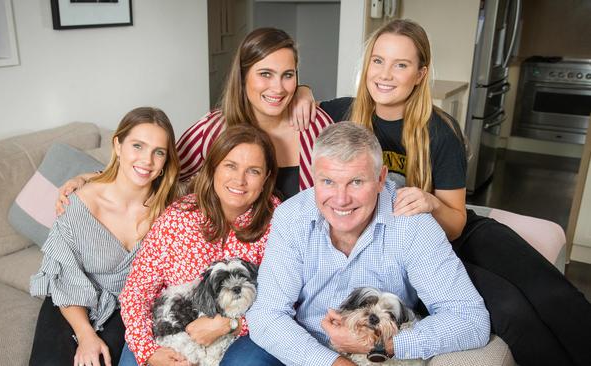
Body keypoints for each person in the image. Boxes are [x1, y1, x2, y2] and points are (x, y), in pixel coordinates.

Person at [309, 19, 591, 365]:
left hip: (459, 232)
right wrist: (304, 94)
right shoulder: (343, 113)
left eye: (401, 65)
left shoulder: (440, 131)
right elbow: (299, 99)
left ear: (421, 74)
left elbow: (456, 223)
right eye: (378, 61)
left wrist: (430, 202)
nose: (385, 74)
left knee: (552, 292)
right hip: (421, 255)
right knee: (513, 311)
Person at [231, 122, 489, 366]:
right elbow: (268, 313)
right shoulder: (292, 217)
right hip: (300, 341)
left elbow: (470, 319)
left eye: (356, 182)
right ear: (313, 177)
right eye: (328, 181)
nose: (341, 200)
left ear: (380, 179)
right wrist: (333, 363)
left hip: (378, 348)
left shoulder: (412, 224)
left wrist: (382, 345)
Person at [28, 107, 180, 366]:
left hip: (126, 309)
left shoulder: (170, 212)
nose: (147, 160)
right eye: (137, 146)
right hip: (71, 303)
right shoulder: (78, 204)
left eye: (159, 152)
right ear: (118, 146)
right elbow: (64, 281)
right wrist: (85, 334)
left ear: (166, 160)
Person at [118, 125, 281, 366]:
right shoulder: (179, 217)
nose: (240, 180)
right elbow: (137, 291)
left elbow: (289, 301)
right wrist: (149, 351)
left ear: (266, 176)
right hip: (172, 324)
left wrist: (231, 325)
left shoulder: (280, 221)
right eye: (230, 165)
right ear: (213, 166)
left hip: (245, 333)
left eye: (254, 171)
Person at [176, 27, 333, 200]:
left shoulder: (316, 124)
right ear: (243, 76)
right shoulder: (213, 128)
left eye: (288, 75)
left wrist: (304, 90)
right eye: (266, 74)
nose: (278, 88)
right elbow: (161, 175)